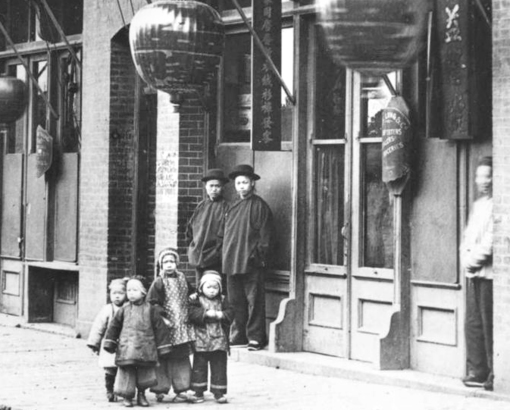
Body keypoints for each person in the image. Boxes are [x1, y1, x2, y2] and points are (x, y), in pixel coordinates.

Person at [221, 164, 273, 351]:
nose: (241, 186)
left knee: (254, 300)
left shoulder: (259, 206)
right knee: (235, 301)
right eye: (238, 183)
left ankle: (256, 337)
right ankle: (239, 335)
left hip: (251, 262)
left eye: (245, 182)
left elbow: (264, 237)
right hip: (231, 261)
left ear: (252, 183)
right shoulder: (232, 206)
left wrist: (256, 257)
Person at [103, 276, 172, 408]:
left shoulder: (151, 309)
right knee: (127, 371)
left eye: (135, 290)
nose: (131, 293)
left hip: (145, 347)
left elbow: (160, 329)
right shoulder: (123, 309)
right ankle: (127, 396)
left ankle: (141, 394)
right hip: (127, 348)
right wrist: (110, 343)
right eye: (128, 290)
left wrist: (163, 347)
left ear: (143, 292)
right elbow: (114, 327)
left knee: (144, 372)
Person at [460, 156, 494, 391]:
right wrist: (466, 261)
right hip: (473, 275)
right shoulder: (479, 205)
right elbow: (468, 237)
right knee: (473, 323)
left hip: (489, 276)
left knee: (489, 323)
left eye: (487, 176)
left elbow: (492, 242)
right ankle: (477, 370)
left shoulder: (500, 204)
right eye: (479, 176)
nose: (483, 181)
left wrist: (473, 261)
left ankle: (493, 373)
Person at [147, 247, 195, 403]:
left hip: (182, 325)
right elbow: (153, 303)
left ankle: (182, 388)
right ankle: (160, 389)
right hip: (166, 327)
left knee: (181, 357)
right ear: (161, 264)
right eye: (166, 262)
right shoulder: (159, 282)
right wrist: (162, 318)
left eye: (172, 262)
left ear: (177, 263)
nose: (169, 265)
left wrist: (193, 294)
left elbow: (190, 292)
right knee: (164, 356)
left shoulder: (182, 278)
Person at [188, 271, 234, 404]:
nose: (212, 291)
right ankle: (198, 392)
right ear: (201, 287)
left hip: (219, 340)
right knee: (199, 367)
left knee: (219, 366)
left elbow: (231, 312)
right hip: (201, 339)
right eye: (209, 287)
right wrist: (205, 314)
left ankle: (218, 392)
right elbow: (191, 313)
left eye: (215, 287)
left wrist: (221, 315)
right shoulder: (196, 300)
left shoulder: (223, 300)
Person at [186, 168, 230, 287]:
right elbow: (190, 229)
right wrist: (193, 247)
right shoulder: (201, 206)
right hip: (199, 256)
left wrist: (218, 252)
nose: (214, 189)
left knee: (214, 289)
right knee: (200, 289)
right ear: (206, 187)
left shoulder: (227, 207)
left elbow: (228, 234)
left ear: (223, 188)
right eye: (211, 186)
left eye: (217, 186)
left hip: (216, 258)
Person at [87, 278, 127, 402]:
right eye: (114, 294)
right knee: (110, 368)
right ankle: (109, 390)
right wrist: (94, 343)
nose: (117, 297)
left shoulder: (128, 308)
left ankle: (125, 390)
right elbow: (98, 327)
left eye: (120, 294)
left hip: (126, 344)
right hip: (110, 345)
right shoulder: (107, 309)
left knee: (126, 368)